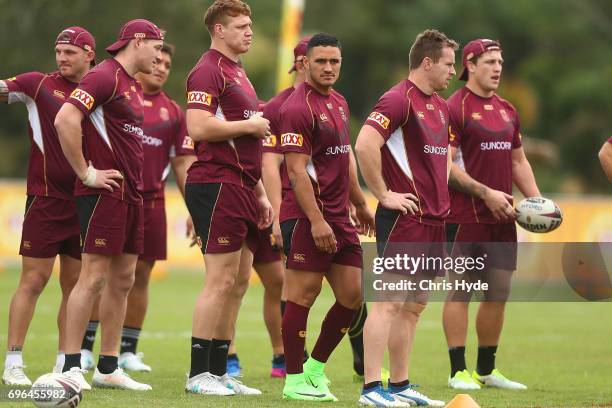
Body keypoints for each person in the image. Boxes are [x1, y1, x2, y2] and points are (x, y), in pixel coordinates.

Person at [54, 18, 164, 391]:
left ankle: (108, 366)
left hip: (131, 196)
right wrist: (86, 173)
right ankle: (70, 365)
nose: (159, 55)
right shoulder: (104, 75)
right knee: (93, 278)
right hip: (103, 195)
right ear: (137, 41)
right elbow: (64, 119)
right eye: (157, 47)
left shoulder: (132, 85)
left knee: (124, 280)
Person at [78, 43, 197, 373]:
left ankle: (127, 350)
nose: (160, 67)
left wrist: (195, 210)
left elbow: (183, 165)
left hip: (152, 202)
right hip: (111, 194)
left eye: (167, 64)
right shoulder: (116, 93)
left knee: (137, 278)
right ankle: (84, 349)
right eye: (156, 60)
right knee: (97, 275)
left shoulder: (174, 112)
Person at [355, 29, 457, 406]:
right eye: (448, 64)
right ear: (427, 62)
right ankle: (370, 389)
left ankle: (400, 385)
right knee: (390, 303)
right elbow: (365, 143)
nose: (453, 71)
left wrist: (442, 195)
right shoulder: (398, 99)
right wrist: (383, 194)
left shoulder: (442, 106)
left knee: (414, 305)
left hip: (434, 221)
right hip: (405, 220)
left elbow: (443, 156)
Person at [279, 32, 375, 402]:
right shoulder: (296, 107)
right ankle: (293, 379)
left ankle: (316, 369)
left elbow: (344, 155)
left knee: (353, 295)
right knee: (303, 295)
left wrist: (360, 202)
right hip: (307, 216)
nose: (329, 67)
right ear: (305, 63)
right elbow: (296, 172)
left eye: (335, 61)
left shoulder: (339, 102)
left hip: (339, 216)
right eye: (321, 61)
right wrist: (317, 221)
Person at [183, 0, 272, 396]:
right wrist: (249, 123)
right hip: (216, 183)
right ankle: (197, 375)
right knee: (219, 282)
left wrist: (261, 193)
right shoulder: (207, 70)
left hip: (241, 187)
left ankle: (219, 372)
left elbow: (244, 144)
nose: (249, 31)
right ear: (219, 30)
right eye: (241, 26)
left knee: (237, 283)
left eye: (250, 25)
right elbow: (198, 126)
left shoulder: (238, 71)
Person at [0, 27, 95, 386]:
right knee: (34, 280)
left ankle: (65, 365)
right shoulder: (38, 84)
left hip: (87, 202)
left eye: (69, 52)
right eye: (58, 51)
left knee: (76, 286)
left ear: (89, 53)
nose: (61, 58)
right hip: (45, 200)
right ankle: (13, 362)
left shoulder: (100, 88)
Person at [443, 38, 540, 391]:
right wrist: (485, 193)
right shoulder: (455, 108)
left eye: (500, 61)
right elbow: (446, 166)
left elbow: (519, 161)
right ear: (469, 64)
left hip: (503, 220)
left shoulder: (507, 110)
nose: (498, 68)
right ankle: (457, 371)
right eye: (489, 62)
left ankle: (486, 370)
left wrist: (537, 201)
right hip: (465, 217)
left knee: (497, 293)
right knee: (461, 292)